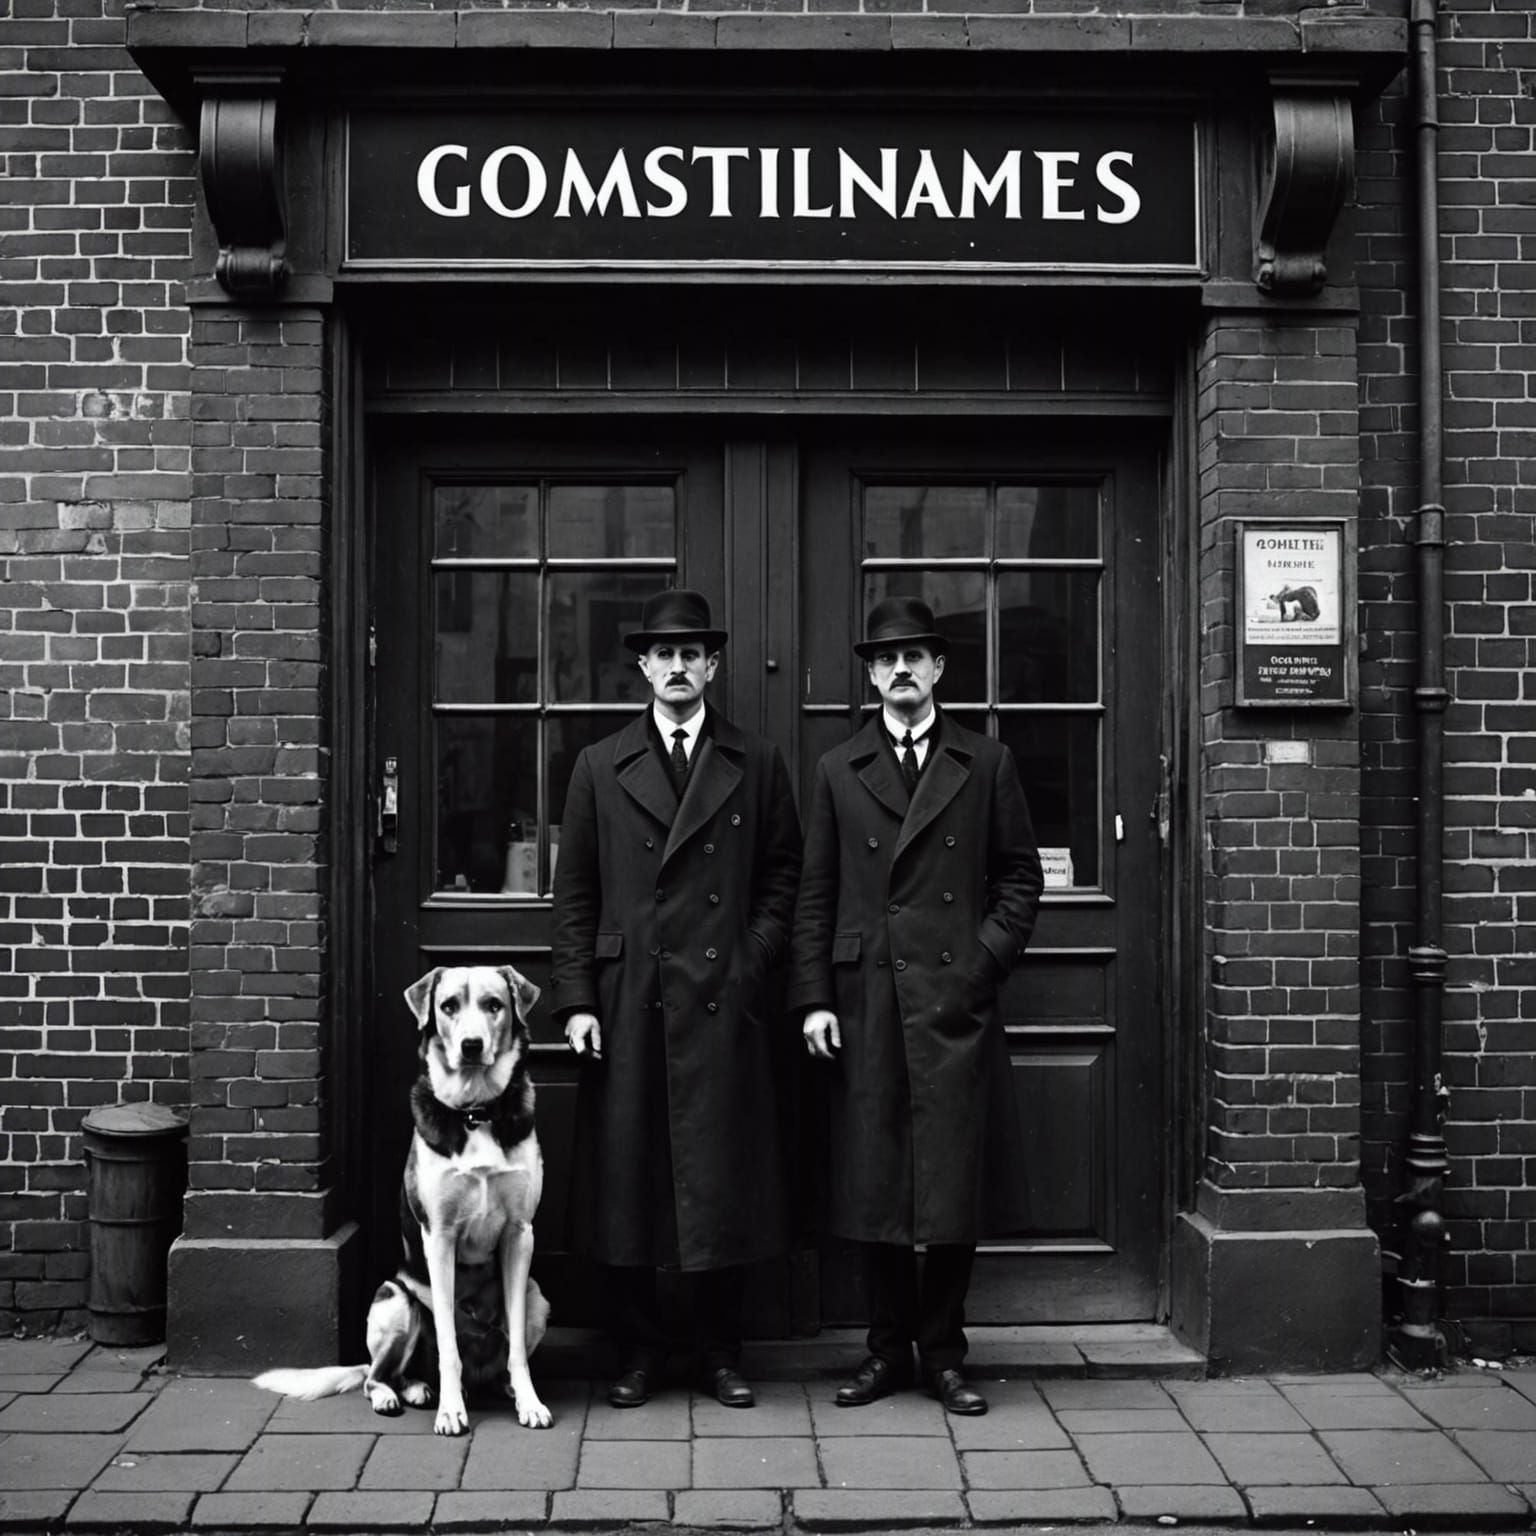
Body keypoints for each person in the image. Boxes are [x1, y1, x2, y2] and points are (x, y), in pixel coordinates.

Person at [789, 595, 1043, 1417]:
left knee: (950, 1189)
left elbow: (1020, 880)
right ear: (870, 675)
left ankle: (945, 1354)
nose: (902, 670)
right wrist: (815, 1000)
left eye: (917, 657)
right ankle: (883, 1352)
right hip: (866, 1005)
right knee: (877, 1185)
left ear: (939, 670)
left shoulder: (987, 762)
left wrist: (979, 966)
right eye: (886, 660)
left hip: (953, 1004)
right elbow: (815, 895)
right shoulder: (836, 769)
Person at [551, 588, 801, 1410]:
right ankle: (641, 1352)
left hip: (722, 1001)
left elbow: (781, 880)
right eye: (664, 655)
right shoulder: (599, 764)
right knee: (630, 1184)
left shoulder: (756, 760)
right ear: (643, 668)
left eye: (693, 654)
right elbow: (575, 895)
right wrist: (578, 1000)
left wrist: (749, 961)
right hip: (629, 1000)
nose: (678, 667)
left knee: (720, 1180)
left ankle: (720, 1352)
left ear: (713, 666)